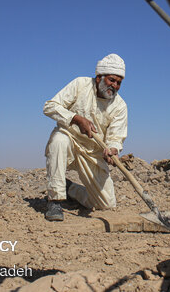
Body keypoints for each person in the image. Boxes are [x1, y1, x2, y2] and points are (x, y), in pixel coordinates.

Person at [43, 54, 128, 221]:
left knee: (106, 204)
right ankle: (55, 200)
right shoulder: (80, 84)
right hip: (70, 141)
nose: (115, 85)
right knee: (59, 140)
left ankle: (70, 190)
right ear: (98, 77)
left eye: (119, 82)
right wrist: (77, 119)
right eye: (111, 80)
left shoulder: (120, 106)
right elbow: (50, 107)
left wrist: (112, 149)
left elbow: (116, 137)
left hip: (93, 153)